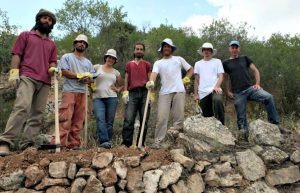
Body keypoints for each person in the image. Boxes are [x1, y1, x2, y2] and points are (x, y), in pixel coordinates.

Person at [0, 9, 57, 156]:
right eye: (45, 18)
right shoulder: (26, 35)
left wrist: (53, 69)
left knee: (37, 113)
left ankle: (27, 143)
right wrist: (14, 73)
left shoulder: (52, 44)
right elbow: (17, 54)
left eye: (50, 20)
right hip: (27, 76)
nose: (47, 21)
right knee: (22, 107)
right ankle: (5, 142)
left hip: (45, 81)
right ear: (38, 20)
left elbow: (53, 62)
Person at [223, 40, 280, 138]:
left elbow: (255, 70)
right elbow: (226, 78)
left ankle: (275, 124)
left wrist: (257, 84)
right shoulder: (226, 63)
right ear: (229, 49)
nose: (234, 49)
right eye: (232, 47)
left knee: (268, 97)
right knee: (241, 115)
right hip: (238, 93)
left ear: (239, 49)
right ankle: (244, 135)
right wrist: (228, 91)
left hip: (250, 89)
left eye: (236, 47)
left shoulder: (245, 58)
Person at [146, 38, 193, 148]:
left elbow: (191, 69)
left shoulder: (178, 59)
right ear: (162, 49)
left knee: (178, 118)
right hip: (164, 92)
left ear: (171, 49)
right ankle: (158, 141)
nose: (166, 48)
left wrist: (186, 79)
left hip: (179, 90)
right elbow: (154, 73)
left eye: (168, 46)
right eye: (164, 46)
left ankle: (177, 143)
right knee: (161, 118)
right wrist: (151, 81)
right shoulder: (158, 62)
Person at [51, 34, 94, 149]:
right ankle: (58, 143)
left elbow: (92, 78)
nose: (82, 44)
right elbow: (64, 71)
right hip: (69, 91)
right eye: (80, 42)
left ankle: (73, 145)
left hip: (83, 92)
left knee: (79, 119)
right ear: (75, 44)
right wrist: (79, 75)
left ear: (86, 46)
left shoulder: (88, 63)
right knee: (65, 117)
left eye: (84, 43)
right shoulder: (67, 57)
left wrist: (88, 79)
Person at [121, 42, 152, 148]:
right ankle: (126, 144)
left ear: (143, 51)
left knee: (144, 119)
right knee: (129, 119)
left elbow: (150, 79)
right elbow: (126, 78)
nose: (139, 51)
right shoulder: (129, 64)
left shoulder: (147, 64)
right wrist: (125, 92)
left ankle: (140, 144)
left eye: (141, 49)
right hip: (132, 92)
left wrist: (151, 95)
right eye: (137, 49)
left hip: (145, 92)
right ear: (134, 51)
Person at [92, 49, 123, 148]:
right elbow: (88, 76)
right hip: (98, 97)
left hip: (112, 98)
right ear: (106, 58)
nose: (110, 59)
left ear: (115, 60)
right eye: (109, 57)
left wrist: (118, 89)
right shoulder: (97, 67)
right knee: (100, 119)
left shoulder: (116, 72)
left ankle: (108, 142)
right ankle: (104, 141)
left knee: (109, 121)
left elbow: (123, 84)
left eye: (113, 58)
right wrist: (90, 85)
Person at [194, 42, 225, 124]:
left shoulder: (217, 61)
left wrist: (217, 86)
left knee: (217, 100)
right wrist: (196, 94)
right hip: (202, 92)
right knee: (206, 116)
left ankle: (222, 125)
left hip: (214, 90)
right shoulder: (198, 64)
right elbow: (196, 80)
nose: (206, 51)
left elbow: (221, 75)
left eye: (208, 50)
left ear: (211, 51)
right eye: (205, 50)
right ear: (202, 51)